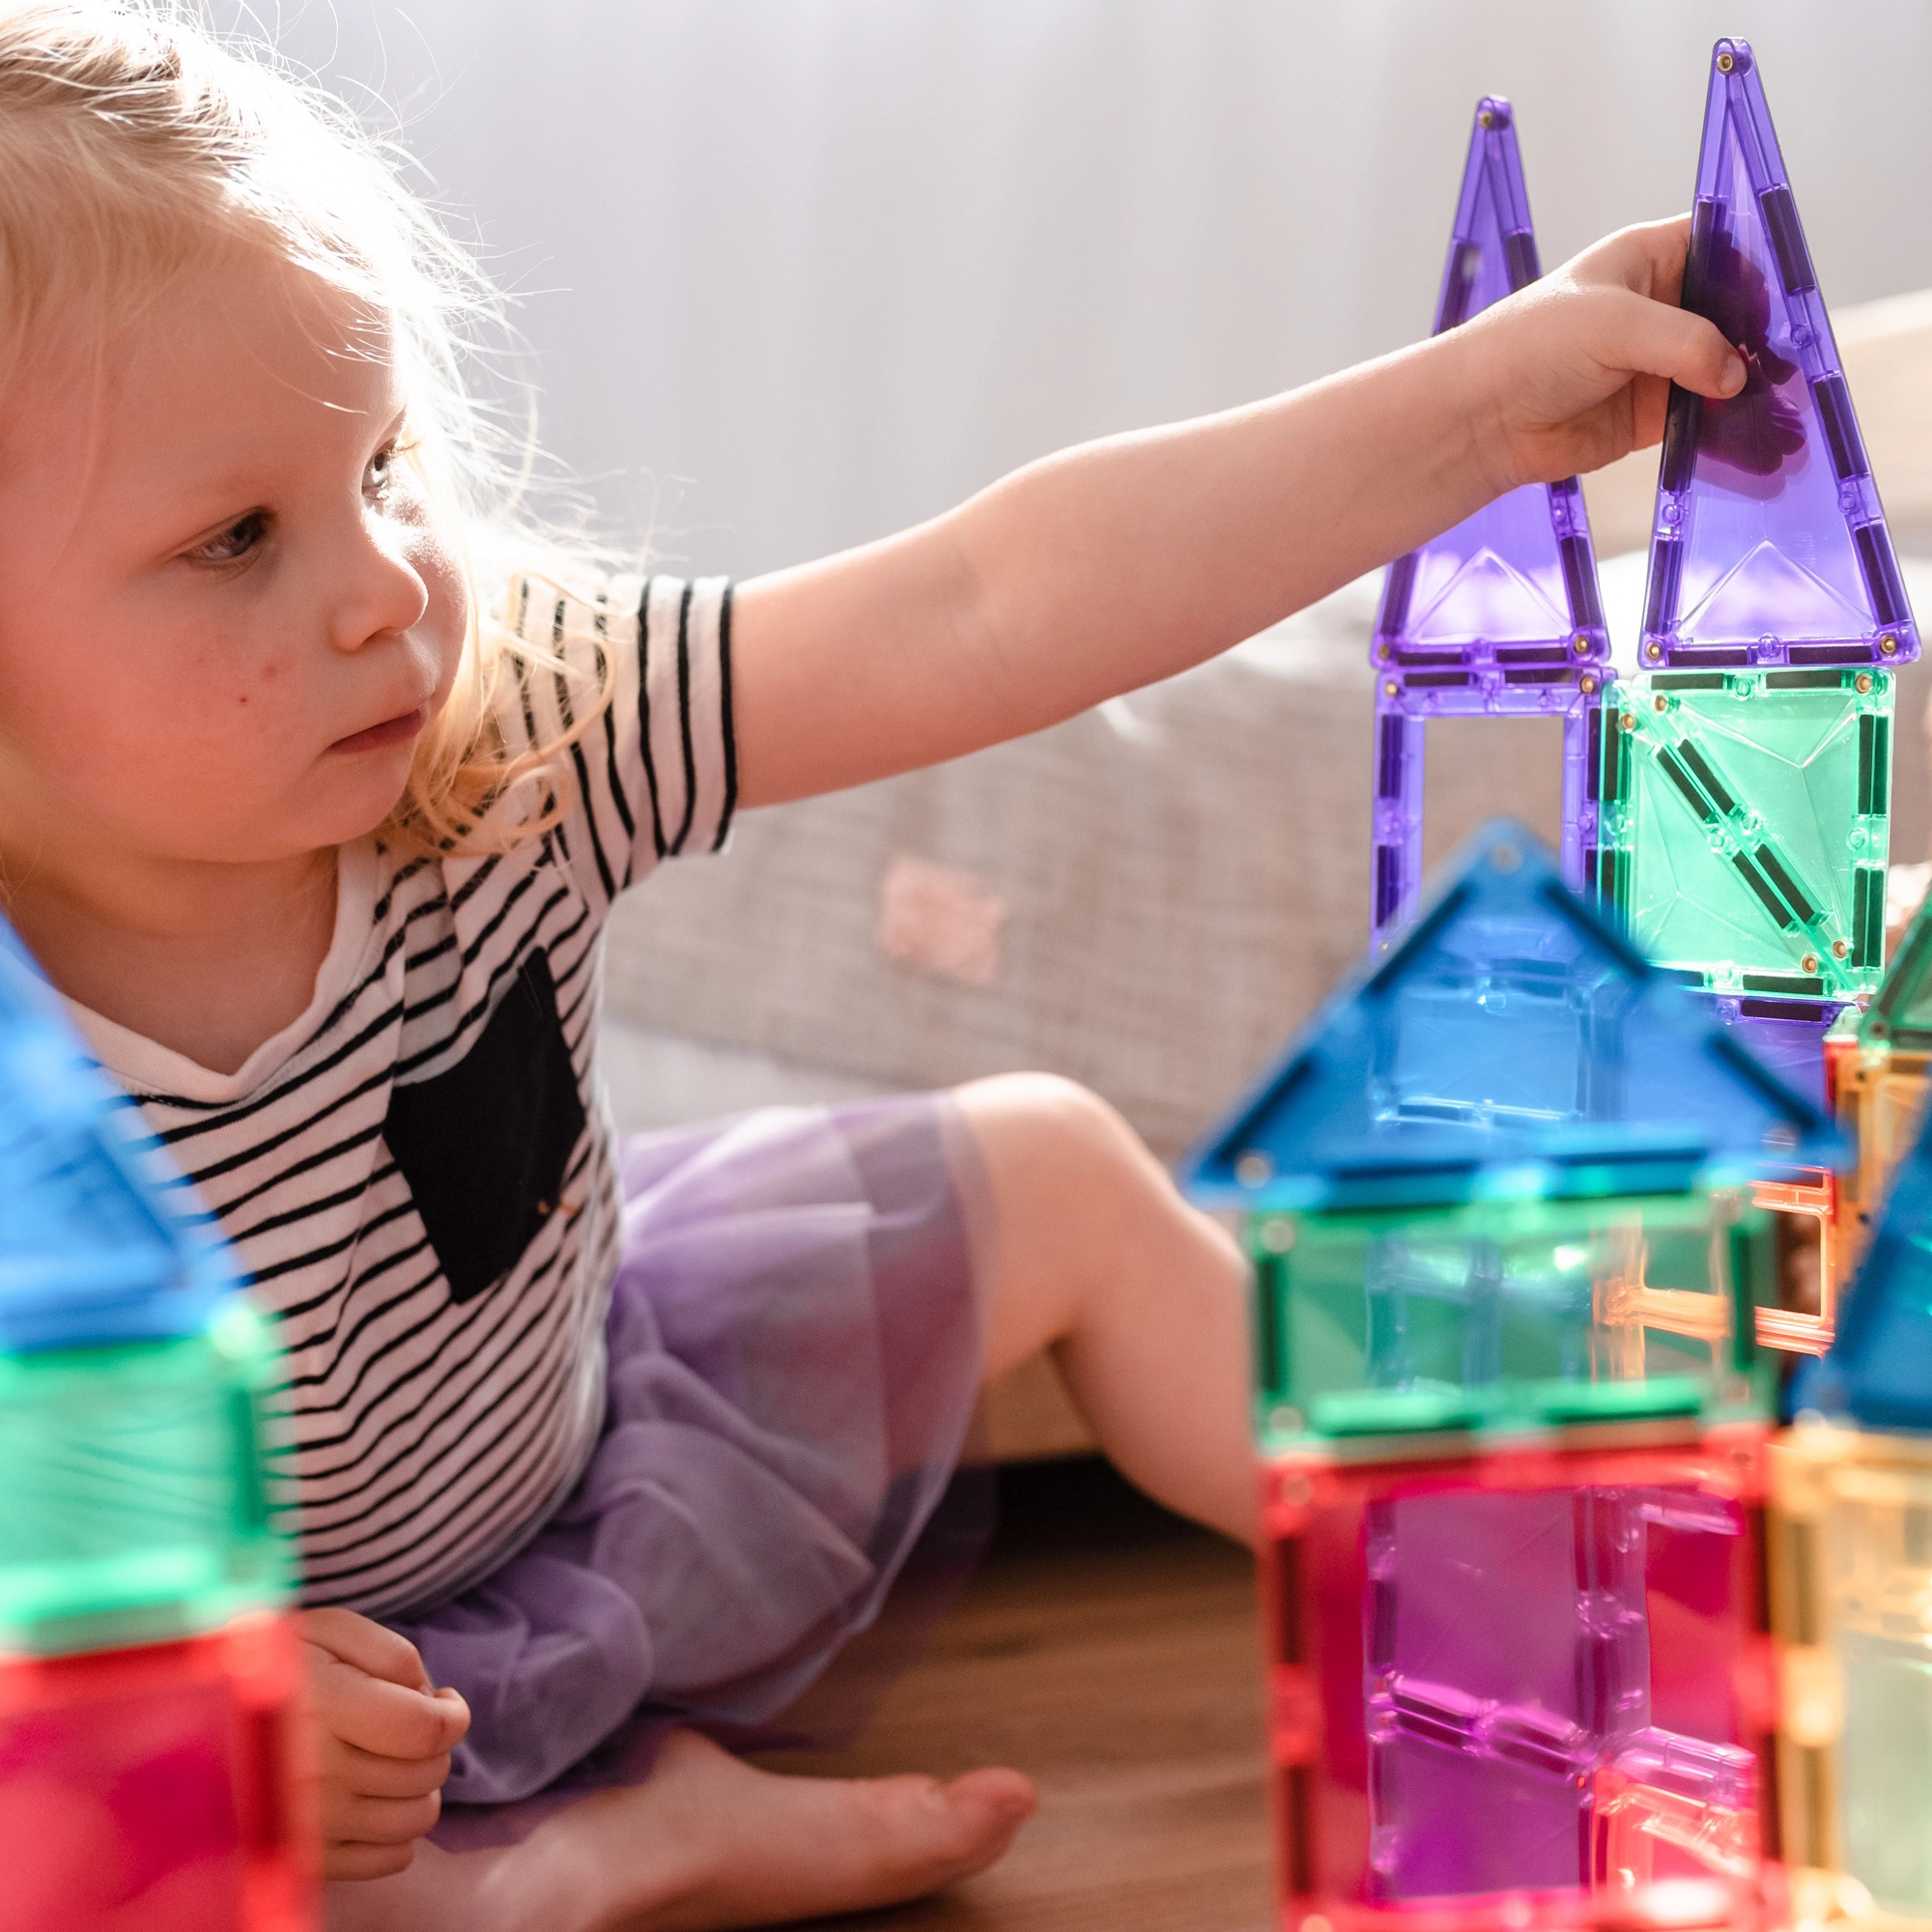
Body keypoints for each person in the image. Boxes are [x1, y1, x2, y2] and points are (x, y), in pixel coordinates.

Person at [0, 5, 1749, 1928]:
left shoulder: (514, 719)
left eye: (389, 465)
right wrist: (179, 1686)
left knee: (1051, 1163)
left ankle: (1533, 1621)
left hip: (607, 1450)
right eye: (238, 537)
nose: (388, 585)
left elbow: (982, 599)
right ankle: (588, 1858)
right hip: (265, 1695)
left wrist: (1474, 418)